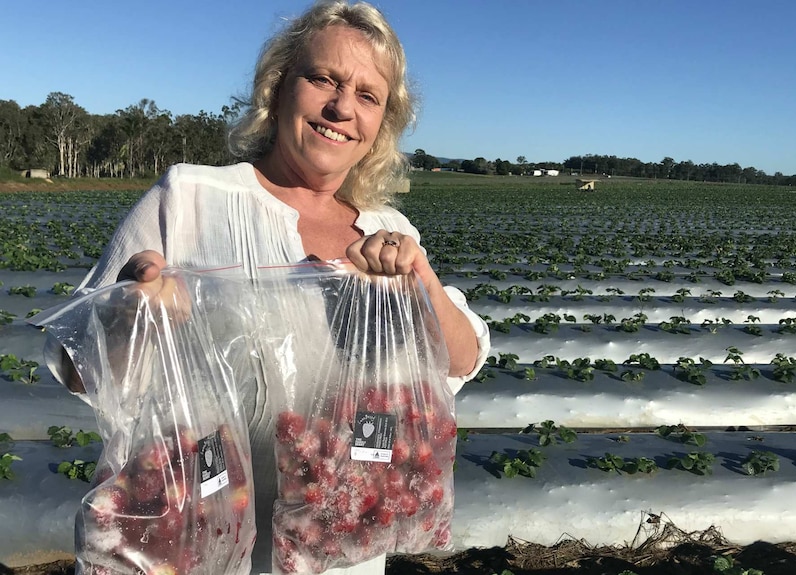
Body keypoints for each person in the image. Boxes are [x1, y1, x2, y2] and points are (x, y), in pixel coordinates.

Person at [46, 1, 491, 574]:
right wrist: (131, 309)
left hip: (337, 547)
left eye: (367, 95)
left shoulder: (390, 232)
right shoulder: (191, 199)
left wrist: (418, 278)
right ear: (279, 86)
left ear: (382, 122)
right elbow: (77, 366)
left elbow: (459, 360)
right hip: (185, 541)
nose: (341, 107)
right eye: (323, 78)